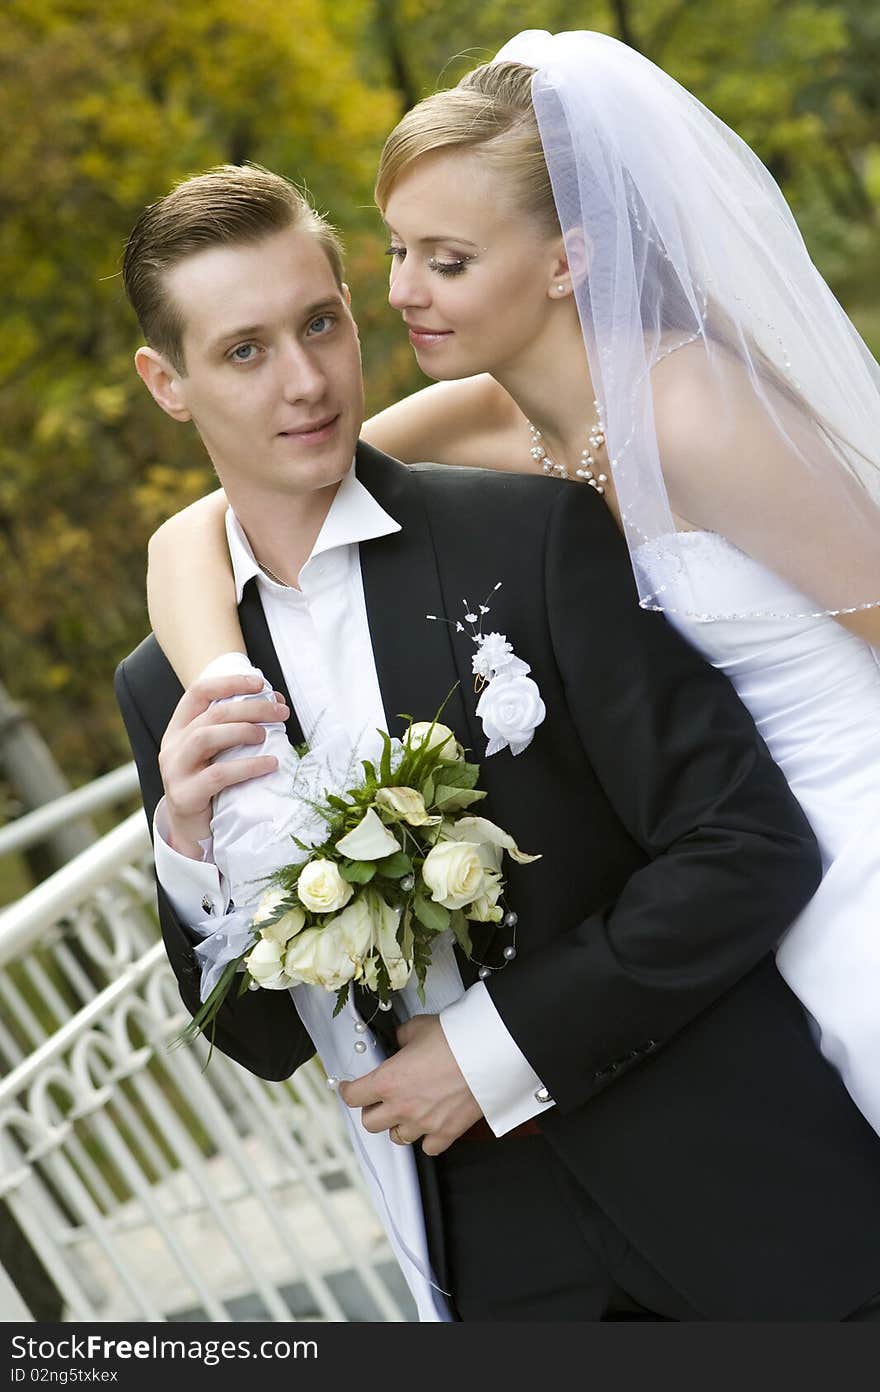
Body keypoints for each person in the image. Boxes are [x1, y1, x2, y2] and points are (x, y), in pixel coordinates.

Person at [114, 161, 880, 1324]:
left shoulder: (527, 537)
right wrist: (185, 849)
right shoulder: (171, 679)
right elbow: (264, 1039)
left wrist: (488, 1050)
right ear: (166, 384)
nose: (308, 381)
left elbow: (744, 844)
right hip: (489, 1258)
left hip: (738, 1182)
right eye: (244, 351)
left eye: (321, 323)